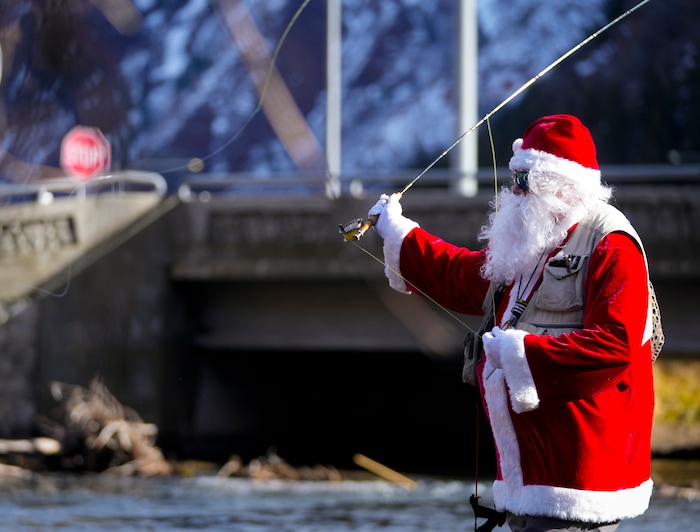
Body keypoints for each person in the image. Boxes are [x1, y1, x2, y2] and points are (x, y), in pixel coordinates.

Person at [368, 114, 656, 531]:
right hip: (531, 473)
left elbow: (615, 345)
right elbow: (466, 276)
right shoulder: (538, 236)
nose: (514, 191)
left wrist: (519, 353)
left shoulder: (612, 243)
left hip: (577, 479)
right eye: (514, 177)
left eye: (525, 180)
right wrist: (399, 233)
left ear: (562, 184)